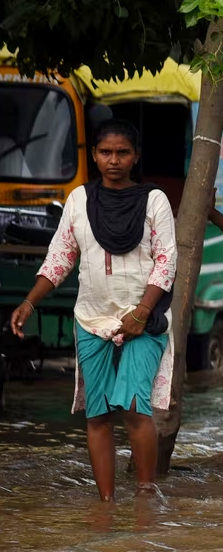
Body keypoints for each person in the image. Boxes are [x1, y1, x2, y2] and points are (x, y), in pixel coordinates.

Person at [8, 120, 175, 501]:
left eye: (122, 153)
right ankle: (106, 505)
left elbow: (167, 262)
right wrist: (29, 301)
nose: (113, 160)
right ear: (94, 156)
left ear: (135, 157)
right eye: (105, 153)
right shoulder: (79, 199)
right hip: (91, 318)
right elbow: (60, 257)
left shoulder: (154, 200)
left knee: (134, 407)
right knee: (97, 415)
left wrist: (141, 312)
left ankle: (145, 499)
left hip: (143, 319)